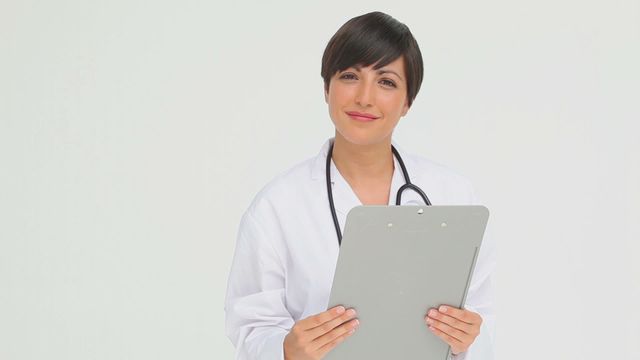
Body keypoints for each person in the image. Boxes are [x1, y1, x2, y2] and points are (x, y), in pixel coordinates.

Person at [224, 11, 496, 360]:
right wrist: (285, 350)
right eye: (350, 76)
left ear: (407, 102)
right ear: (326, 89)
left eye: (386, 82)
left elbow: (482, 320)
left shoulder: (454, 196)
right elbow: (250, 329)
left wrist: (467, 338)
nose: (364, 97)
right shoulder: (277, 207)